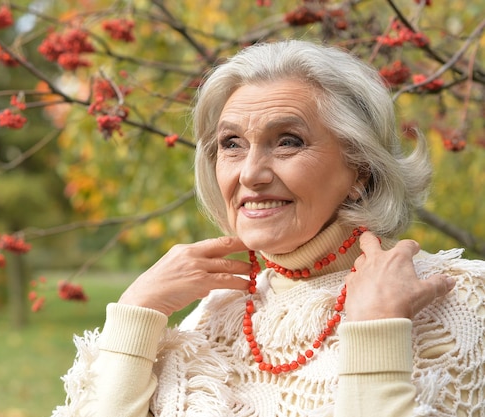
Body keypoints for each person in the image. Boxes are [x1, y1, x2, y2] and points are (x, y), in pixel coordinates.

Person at [51, 40, 485, 417]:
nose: (251, 174)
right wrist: (137, 314)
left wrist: (376, 330)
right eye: (232, 144)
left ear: (361, 170)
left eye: (288, 141)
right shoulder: (211, 317)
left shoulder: (463, 306)